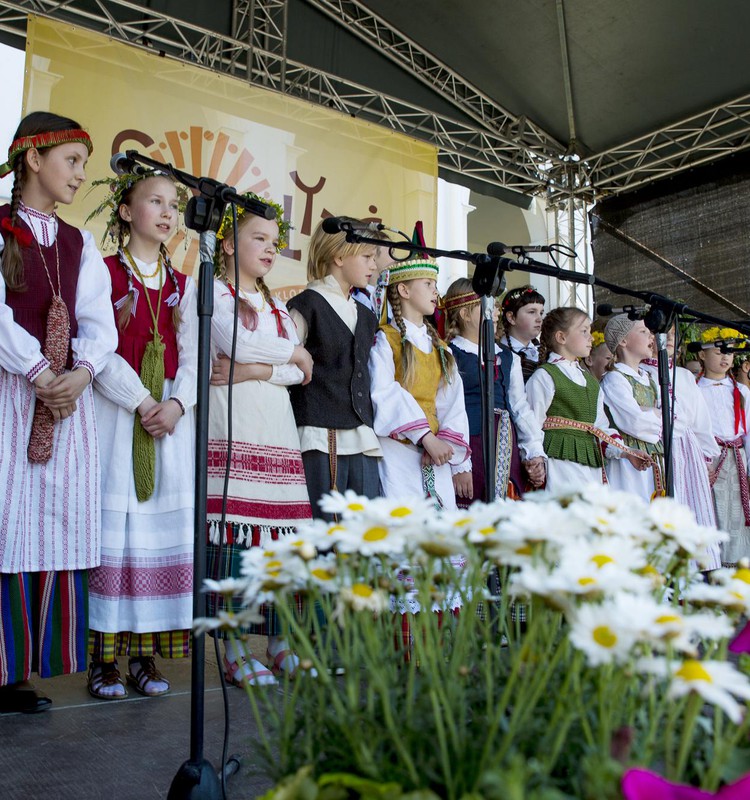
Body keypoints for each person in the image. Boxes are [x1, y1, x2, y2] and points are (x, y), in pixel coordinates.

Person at [0, 112, 117, 713]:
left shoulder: (78, 241)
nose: (79, 174)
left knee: (51, 525)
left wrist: (80, 373)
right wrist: (38, 370)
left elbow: (100, 321)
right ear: (33, 159)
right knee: (4, 521)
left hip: (64, 401)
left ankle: (18, 669)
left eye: (83, 163)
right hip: (11, 393)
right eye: (71, 160)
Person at [85, 171, 197, 699]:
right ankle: (103, 661)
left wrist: (176, 403)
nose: (167, 212)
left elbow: (196, 354)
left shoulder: (184, 285)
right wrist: (141, 400)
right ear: (126, 212)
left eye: (173, 204)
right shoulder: (102, 273)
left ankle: (145, 657)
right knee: (117, 535)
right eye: (155, 201)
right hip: (116, 410)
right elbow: (97, 348)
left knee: (156, 535)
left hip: (168, 419)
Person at [207, 195, 313, 687]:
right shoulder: (215, 292)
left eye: (275, 242)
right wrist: (288, 355)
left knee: (280, 545)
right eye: (259, 239)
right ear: (227, 243)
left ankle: (279, 642)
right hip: (236, 433)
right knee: (235, 540)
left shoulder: (276, 307)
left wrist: (254, 369)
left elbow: (299, 373)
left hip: (277, 434)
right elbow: (237, 342)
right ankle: (231, 650)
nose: (271, 249)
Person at [287, 219, 381, 520]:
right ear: (339, 257)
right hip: (318, 432)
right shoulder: (306, 305)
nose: (373, 265)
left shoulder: (366, 315)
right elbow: (286, 363)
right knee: (326, 531)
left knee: (364, 534)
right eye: (367, 257)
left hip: (362, 433)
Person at [369, 259, 470, 509]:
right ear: (404, 291)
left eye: (435, 285)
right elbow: (384, 392)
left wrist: (441, 444)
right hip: (397, 449)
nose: (436, 291)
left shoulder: (440, 348)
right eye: (427, 284)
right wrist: (425, 437)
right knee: (404, 520)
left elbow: (452, 403)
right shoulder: (386, 340)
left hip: (434, 453)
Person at [443, 278, 545, 501]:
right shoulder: (450, 354)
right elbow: (447, 410)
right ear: (465, 314)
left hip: (505, 444)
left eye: (496, 305)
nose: (497, 311)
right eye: (488, 305)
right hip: (470, 444)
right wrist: (458, 465)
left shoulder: (508, 357)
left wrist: (533, 450)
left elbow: (518, 406)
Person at [525, 307, 649, 491]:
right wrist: (534, 457)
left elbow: (600, 427)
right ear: (561, 337)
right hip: (558, 463)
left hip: (590, 465)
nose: (591, 338)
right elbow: (531, 423)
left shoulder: (590, 382)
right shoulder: (545, 376)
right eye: (584, 331)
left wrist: (626, 452)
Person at [640, 326, 721, 569]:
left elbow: (700, 422)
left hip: (687, 448)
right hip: (657, 446)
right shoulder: (640, 373)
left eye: (673, 336)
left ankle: (697, 571)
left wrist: (707, 457)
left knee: (692, 509)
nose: (669, 340)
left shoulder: (684, 376)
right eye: (661, 334)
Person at [696, 328, 750, 567]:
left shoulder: (742, 391)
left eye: (729, 352)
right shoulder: (695, 389)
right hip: (709, 459)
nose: (725, 357)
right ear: (701, 355)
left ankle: (736, 566)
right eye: (719, 352)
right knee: (711, 510)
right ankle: (712, 567)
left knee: (736, 513)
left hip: (737, 459)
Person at [601, 316, 664, 500]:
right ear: (623, 340)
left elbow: (670, 416)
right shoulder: (615, 378)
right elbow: (634, 422)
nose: (651, 336)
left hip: (656, 457)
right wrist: (656, 415)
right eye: (643, 331)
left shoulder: (649, 379)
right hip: (630, 459)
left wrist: (649, 412)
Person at [499, 285, 545, 382]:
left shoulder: (543, 351)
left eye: (541, 313)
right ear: (511, 317)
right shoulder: (499, 353)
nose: (539, 319)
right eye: (532, 312)